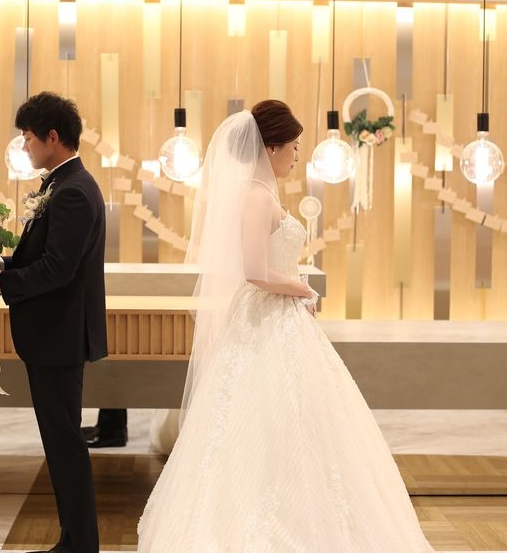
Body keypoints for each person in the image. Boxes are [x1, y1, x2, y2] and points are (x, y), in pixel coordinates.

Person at [136, 101, 434, 552]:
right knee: (269, 417)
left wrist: (296, 290)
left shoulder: (261, 192)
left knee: (295, 418)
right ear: (271, 147)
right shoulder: (256, 196)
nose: (297, 155)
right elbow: (255, 271)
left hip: (278, 318)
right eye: (293, 146)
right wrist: (301, 288)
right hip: (268, 318)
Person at [0, 91, 107, 553]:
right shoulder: (64, 184)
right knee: (60, 442)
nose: (25, 146)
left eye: (29, 138)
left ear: (53, 137)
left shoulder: (72, 191)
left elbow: (59, 269)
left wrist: (2, 283)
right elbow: (45, 257)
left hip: (59, 336)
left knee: (64, 443)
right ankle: (74, 539)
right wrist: (2, 264)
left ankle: (80, 543)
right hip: (54, 335)